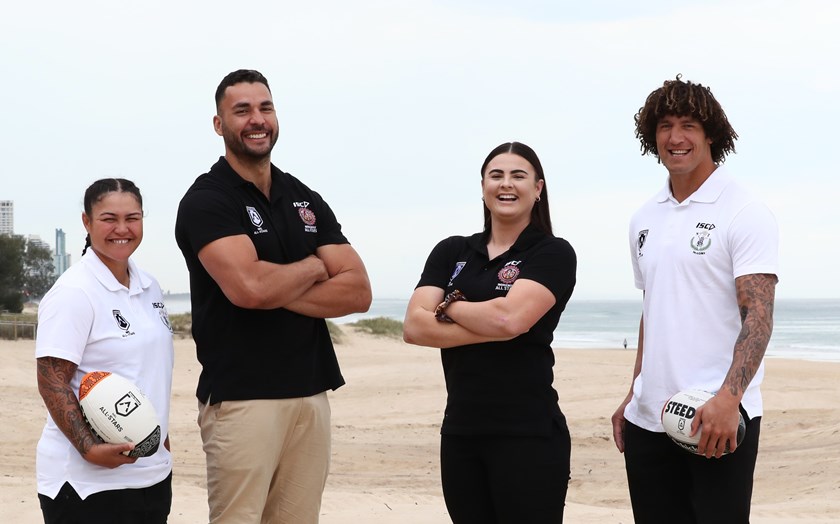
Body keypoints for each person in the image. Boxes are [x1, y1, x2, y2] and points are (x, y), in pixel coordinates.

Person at [174, 69, 372, 524]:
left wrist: (268, 286)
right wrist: (315, 267)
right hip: (243, 399)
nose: (257, 119)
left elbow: (359, 290)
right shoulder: (207, 200)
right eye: (241, 110)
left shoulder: (302, 197)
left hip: (311, 393)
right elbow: (249, 288)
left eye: (265, 108)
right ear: (219, 124)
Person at [611, 76, 779, 523]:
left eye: (688, 125)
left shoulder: (743, 210)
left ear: (710, 135)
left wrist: (729, 398)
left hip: (717, 418)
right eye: (665, 126)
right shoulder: (643, 218)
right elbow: (652, 312)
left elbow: (759, 316)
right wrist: (633, 393)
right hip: (649, 419)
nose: (675, 137)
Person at [403, 142, 577, 523]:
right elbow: (414, 326)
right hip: (461, 432)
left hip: (528, 434)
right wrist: (498, 324)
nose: (506, 184)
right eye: (496, 175)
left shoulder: (552, 253)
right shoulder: (452, 251)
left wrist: (449, 306)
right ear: (483, 186)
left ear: (538, 188)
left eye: (518, 176)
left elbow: (509, 320)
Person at [35, 178, 174, 523]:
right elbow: (52, 380)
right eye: (109, 219)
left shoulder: (150, 286)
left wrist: (160, 441)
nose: (122, 229)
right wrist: (89, 449)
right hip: (86, 485)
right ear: (87, 222)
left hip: (152, 477)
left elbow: (148, 372)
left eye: (132, 218)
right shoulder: (74, 291)